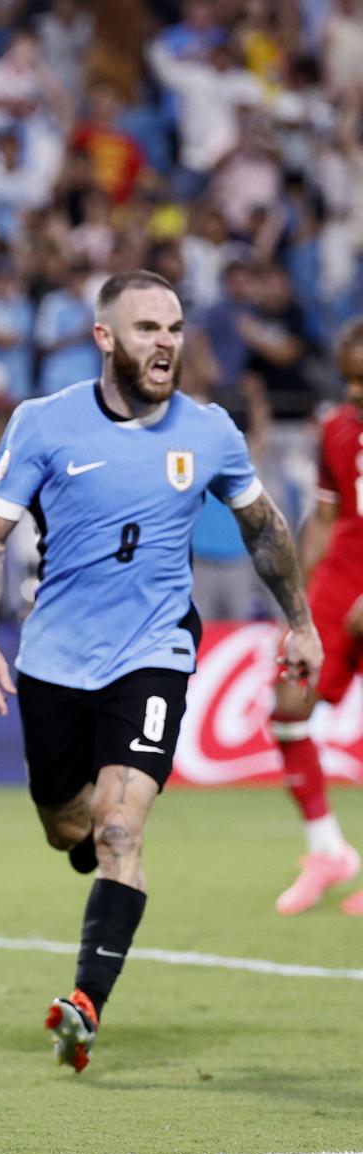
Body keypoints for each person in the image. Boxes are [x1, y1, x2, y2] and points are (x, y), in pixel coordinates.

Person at [0, 270, 318, 1074]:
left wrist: (299, 621)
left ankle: (85, 1003)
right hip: (53, 660)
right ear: (105, 338)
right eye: (148, 328)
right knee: (68, 826)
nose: (166, 343)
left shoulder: (210, 432)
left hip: (153, 653)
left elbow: (265, 527)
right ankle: (91, 862)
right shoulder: (44, 424)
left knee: (122, 827)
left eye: (176, 327)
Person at [268, 320, 363, 917]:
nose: (355, 390)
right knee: (287, 706)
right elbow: (326, 520)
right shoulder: (336, 427)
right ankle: (327, 851)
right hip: (340, 582)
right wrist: (298, 607)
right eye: (349, 377)